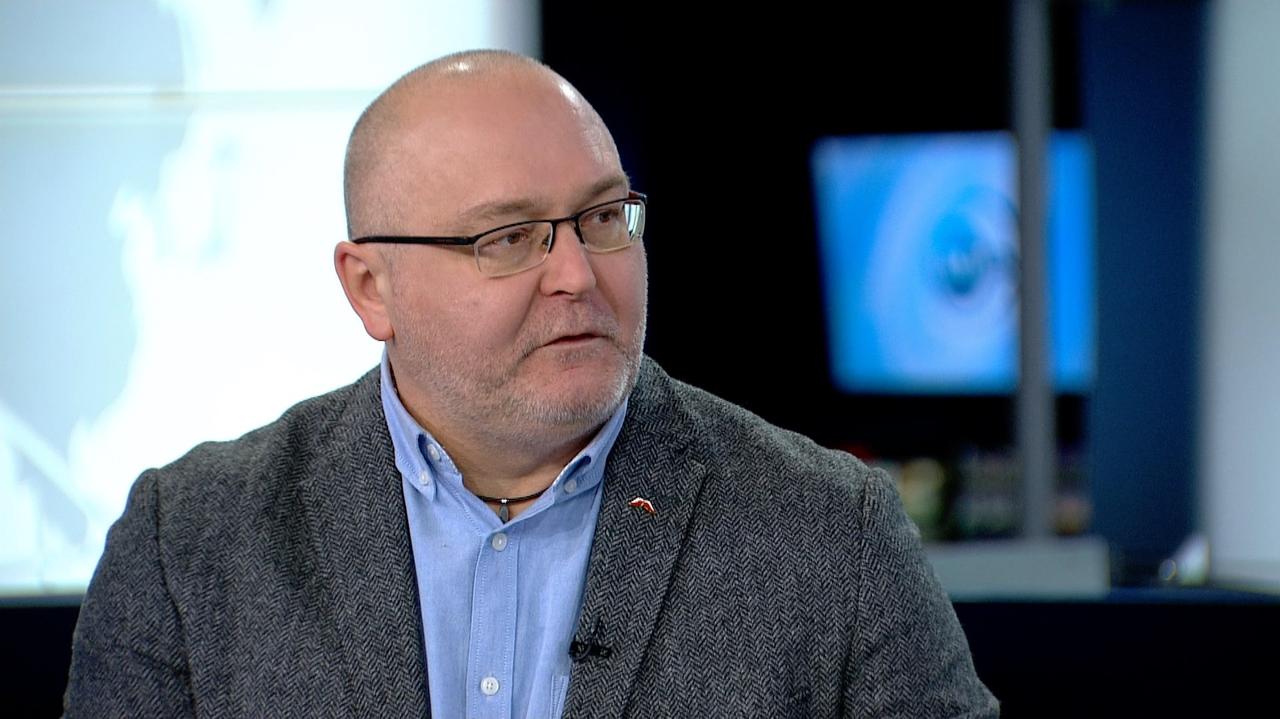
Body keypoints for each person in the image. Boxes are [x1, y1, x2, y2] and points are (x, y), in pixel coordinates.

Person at [64, 49, 998, 718]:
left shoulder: (831, 532)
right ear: (371, 287)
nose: (578, 275)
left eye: (603, 218)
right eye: (508, 238)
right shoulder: (189, 541)